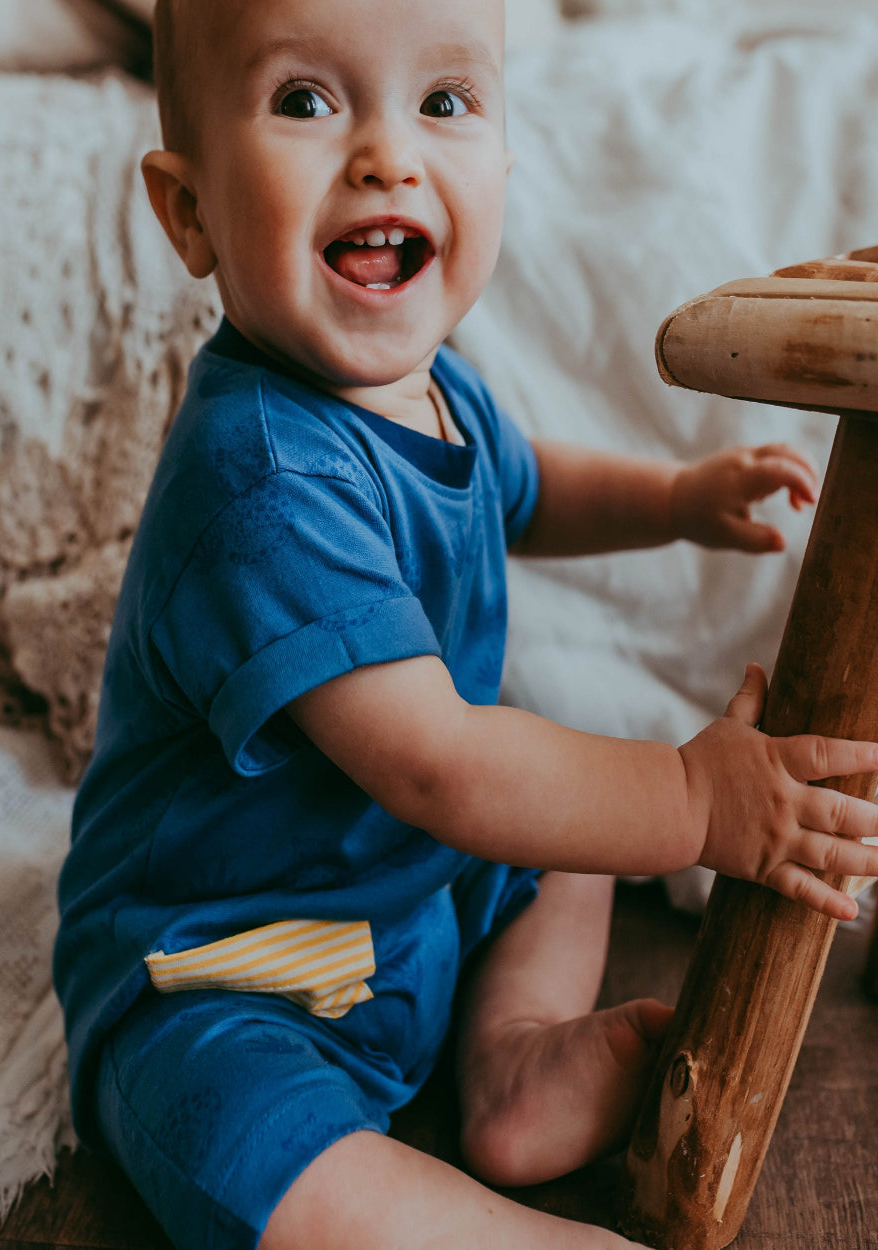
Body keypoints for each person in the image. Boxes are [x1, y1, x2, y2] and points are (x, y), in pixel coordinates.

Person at [52, 0, 878, 1246]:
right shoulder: (262, 478)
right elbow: (439, 759)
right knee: (263, 1154)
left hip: (399, 896)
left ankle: (511, 1055)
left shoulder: (426, 388)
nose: (388, 154)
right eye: (305, 102)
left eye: (442, 103)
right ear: (192, 212)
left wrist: (674, 498)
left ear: (503, 156)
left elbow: (524, 485)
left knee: (563, 825)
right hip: (232, 968)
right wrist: (697, 804)